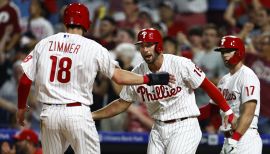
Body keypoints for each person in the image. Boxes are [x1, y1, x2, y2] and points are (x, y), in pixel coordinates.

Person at [16, 3, 174, 154]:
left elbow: (24, 81)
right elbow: (118, 77)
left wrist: (21, 107)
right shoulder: (93, 47)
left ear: (65, 21)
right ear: (87, 23)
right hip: (76, 112)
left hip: (49, 113)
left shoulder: (44, 44)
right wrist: (151, 79)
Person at [92, 28, 236, 154]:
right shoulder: (138, 72)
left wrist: (228, 111)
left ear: (159, 46)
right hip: (158, 128)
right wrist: (91, 115)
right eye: (142, 46)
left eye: (149, 45)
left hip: (184, 126)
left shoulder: (180, 64)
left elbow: (208, 86)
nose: (145, 50)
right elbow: (121, 104)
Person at [199, 35, 262, 154]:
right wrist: (187, 114)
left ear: (239, 52)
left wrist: (235, 140)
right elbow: (212, 109)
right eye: (222, 51)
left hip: (245, 137)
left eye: (228, 51)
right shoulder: (224, 80)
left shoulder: (247, 75)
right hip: (229, 138)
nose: (224, 55)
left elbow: (249, 112)